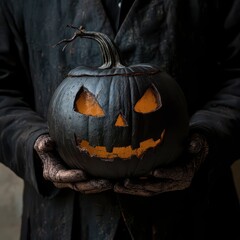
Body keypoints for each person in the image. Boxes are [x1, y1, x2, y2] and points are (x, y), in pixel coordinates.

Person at [0, 0, 240, 239]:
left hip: (192, 216)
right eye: (90, 106)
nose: (120, 124)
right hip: (62, 221)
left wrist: (207, 141)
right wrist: (32, 144)